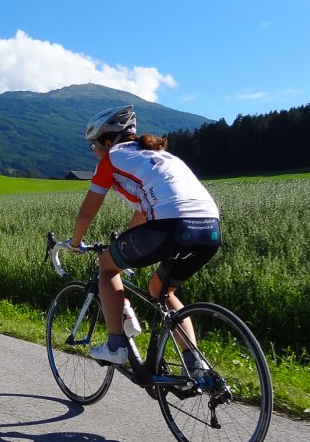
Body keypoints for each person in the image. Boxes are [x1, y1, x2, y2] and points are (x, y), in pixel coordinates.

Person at [65, 104, 221, 367]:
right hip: (210, 227)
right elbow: (143, 213)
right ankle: (195, 365)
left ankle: (115, 347)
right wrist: (121, 247)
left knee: (106, 266)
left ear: (107, 141)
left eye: (94, 146)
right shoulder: (161, 157)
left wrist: (75, 243)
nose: (95, 153)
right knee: (159, 289)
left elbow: (86, 213)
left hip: (170, 225)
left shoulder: (112, 159)